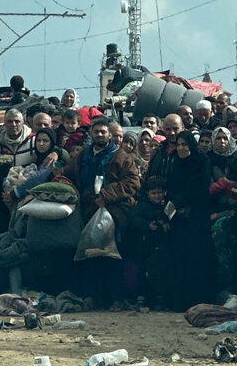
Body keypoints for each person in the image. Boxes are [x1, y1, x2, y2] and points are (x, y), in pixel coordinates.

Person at [63, 117, 140, 309]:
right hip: (89, 211)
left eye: (103, 132)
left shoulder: (121, 157)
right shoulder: (83, 156)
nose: (100, 135)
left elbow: (133, 183)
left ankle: (116, 298)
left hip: (114, 212)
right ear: (91, 133)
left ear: (110, 135)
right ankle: (90, 297)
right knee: (90, 255)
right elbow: (69, 173)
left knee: (111, 255)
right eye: (96, 132)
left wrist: (106, 194)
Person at [161, 132, 218, 310]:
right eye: (178, 145)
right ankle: (180, 301)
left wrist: (179, 201)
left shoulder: (202, 161)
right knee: (180, 259)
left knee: (198, 258)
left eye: (185, 145)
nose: (181, 148)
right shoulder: (175, 163)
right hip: (180, 219)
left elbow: (200, 188)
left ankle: (200, 299)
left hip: (197, 217)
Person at [122, 176, 171, 308]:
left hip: (161, 246)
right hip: (144, 246)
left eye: (160, 192)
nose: (157, 196)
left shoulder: (167, 206)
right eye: (153, 193)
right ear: (147, 194)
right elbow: (133, 221)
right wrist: (147, 225)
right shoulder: (142, 207)